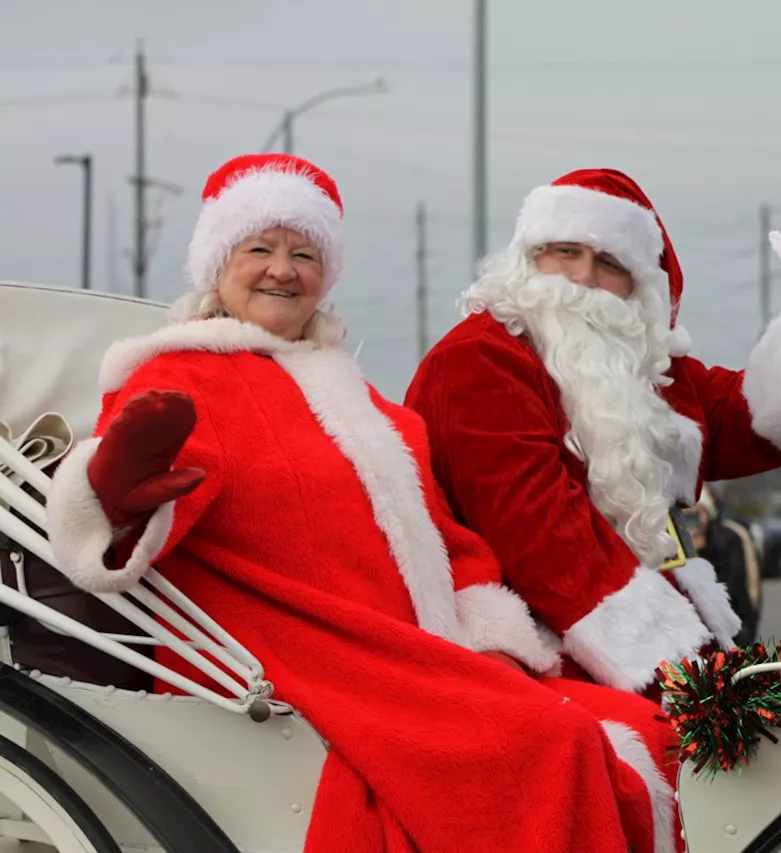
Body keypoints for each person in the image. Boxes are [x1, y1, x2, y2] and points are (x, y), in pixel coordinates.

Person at [44, 154, 676, 853]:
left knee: (642, 724)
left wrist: (495, 645)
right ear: (218, 264)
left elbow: (450, 543)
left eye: (304, 253)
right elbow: (116, 521)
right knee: (546, 743)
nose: (282, 269)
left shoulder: (368, 406)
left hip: (424, 660)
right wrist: (118, 488)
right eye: (259, 248)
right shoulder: (181, 378)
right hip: (306, 664)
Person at [405, 168, 781, 696]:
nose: (583, 277)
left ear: (637, 287)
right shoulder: (478, 361)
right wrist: (691, 677)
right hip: (522, 656)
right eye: (566, 251)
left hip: (627, 652)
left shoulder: (639, 367)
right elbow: (544, 543)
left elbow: (745, 417)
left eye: (609, 263)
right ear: (528, 256)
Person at [683, 487, 762, 646]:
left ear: (708, 515)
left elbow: (738, 591)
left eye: (697, 514)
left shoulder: (727, 541)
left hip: (731, 634)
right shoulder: (671, 543)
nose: (693, 523)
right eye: (685, 517)